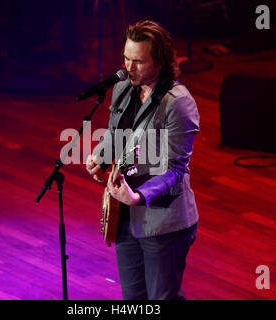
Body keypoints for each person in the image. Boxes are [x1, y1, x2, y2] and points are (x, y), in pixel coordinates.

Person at [86, 20, 200, 300]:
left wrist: (138, 196)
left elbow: (175, 169)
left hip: (164, 222)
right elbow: (115, 134)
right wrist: (100, 156)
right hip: (124, 216)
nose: (128, 67)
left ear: (160, 61)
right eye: (126, 57)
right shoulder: (125, 88)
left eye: (138, 61)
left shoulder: (177, 103)